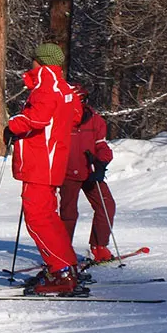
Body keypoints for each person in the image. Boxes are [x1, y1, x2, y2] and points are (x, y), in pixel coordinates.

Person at [4, 42, 84, 296]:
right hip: (52, 162)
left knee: (38, 219)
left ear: (40, 62)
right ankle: (65, 265)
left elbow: (37, 119)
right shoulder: (64, 88)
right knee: (49, 217)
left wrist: (13, 124)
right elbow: (74, 116)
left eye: (33, 60)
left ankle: (60, 270)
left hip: (40, 163)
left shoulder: (45, 86)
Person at [60, 84, 116, 263]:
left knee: (106, 205)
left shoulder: (95, 120)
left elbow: (101, 145)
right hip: (67, 173)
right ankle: (62, 252)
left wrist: (101, 162)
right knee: (68, 213)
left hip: (90, 171)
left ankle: (99, 246)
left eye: (81, 101)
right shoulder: (59, 120)